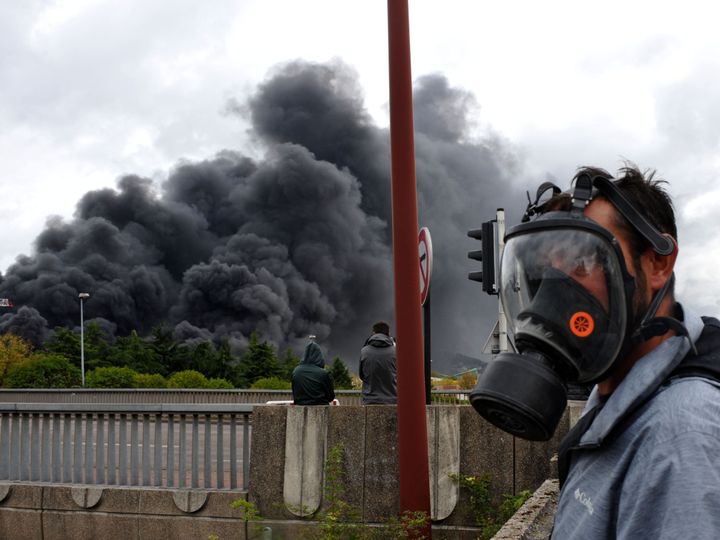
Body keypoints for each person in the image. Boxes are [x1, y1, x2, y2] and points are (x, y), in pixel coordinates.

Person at [471, 164, 720, 538]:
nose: (552, 294)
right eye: (541, 269)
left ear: (658, 264)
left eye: (582, 262)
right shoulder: (621, 390)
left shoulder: (679, 438)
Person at [359, 321, 397, 404]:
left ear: (373, 333)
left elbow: (362, 375)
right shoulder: (396, 352)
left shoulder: (364, 351)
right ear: (388, 333)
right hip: (392, 400)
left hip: (369, 400)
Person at [291, 338, 335, 405]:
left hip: (299, 409)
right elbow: (331, 397)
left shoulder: (296, 371)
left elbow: (295, 393)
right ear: (319, 355)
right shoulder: (323, 373)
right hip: (321, 409)